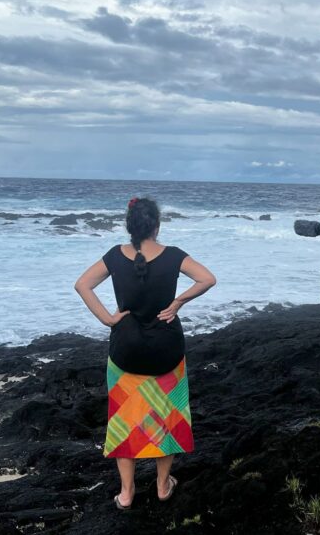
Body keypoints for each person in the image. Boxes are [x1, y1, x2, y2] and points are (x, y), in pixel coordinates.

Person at [75, 197, 216, 510]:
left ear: (129, 226)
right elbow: (208, 278)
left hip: (125, 351)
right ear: (157, 225)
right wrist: (178, 303)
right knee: (168, 417)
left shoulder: (114, 256)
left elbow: (82, 284)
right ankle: (163, 485)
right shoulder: (174, 255)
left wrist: (108, 319)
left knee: (124, 420)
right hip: (167, 351)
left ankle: (126, 492)